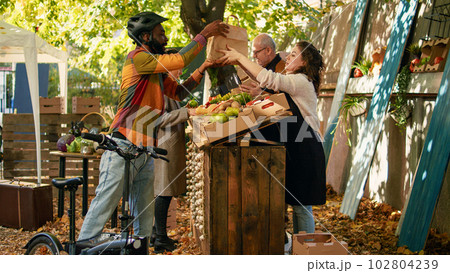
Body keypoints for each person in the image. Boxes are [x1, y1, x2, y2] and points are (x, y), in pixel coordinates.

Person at [78, 12, 228, 241]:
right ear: (146, 36)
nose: (166, 39)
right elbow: (179, 60)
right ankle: (82, 248)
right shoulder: (138, 58)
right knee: (105, 202)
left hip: (144, 150)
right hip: (121, 144)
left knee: (144, 220)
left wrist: (203, 67)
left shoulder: (155, 71)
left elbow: (178, 91)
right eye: (162, 34)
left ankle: (140, 252)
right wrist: (204, 34)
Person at [217, 41, 326, 235]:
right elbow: (270, 86)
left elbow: (268, 78)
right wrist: (259, 92)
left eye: (293, 55)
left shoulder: (301, 80)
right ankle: (300, 247)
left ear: (304, 61)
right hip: (295, 148)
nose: (288, 58)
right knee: (296, 204)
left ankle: (306, 249)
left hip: (306, 149)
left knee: (302, 207)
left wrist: (240, 58)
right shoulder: (294, 81)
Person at [149, 63, 189, 253]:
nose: (181, 72)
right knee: (164, 191)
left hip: (169, 145)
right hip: (164, 146)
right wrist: (187, 112)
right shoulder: (160, 89)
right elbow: (159, 119)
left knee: (165, 190)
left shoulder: (168, 88)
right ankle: (160, 238)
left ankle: (156, 235)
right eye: (178, 68)